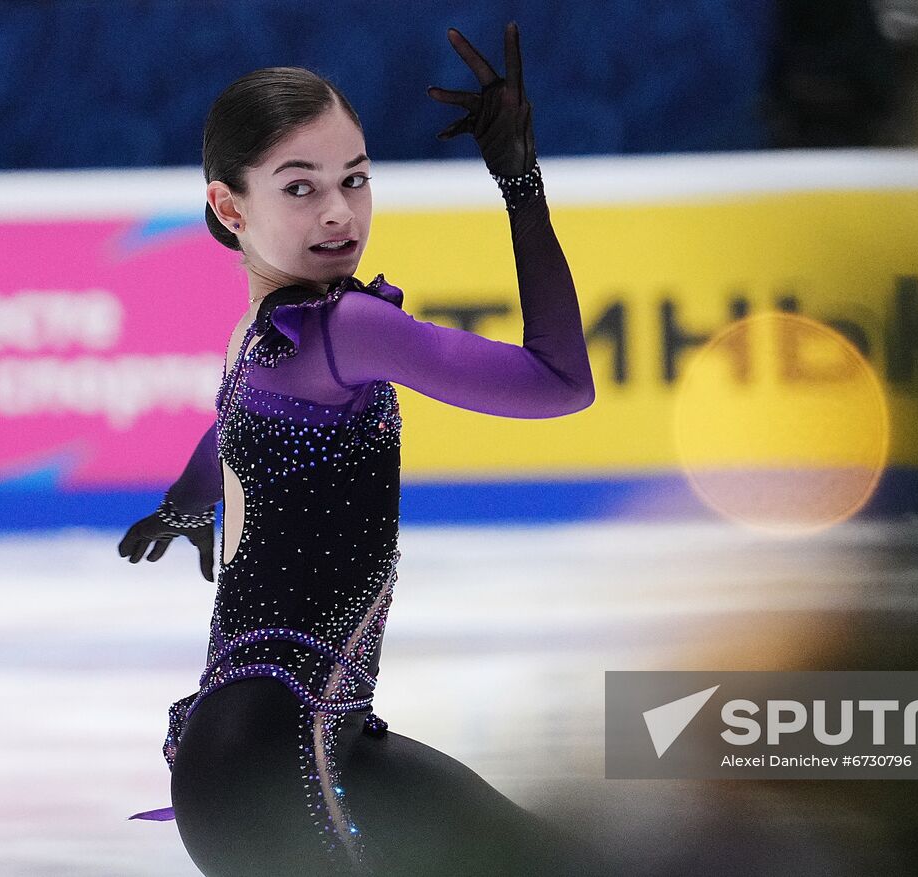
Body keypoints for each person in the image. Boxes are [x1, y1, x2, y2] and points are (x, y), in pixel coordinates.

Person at [115, 23, 599, 876]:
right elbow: (561, 382)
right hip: (272, 754)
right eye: (299, 188)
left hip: (293, 741)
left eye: (355, 179)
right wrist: (520, 182)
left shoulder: (258, 337)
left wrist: (189, 499)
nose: (339, 211)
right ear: (231, 208)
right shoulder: (345, 329)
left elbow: (223, 425)